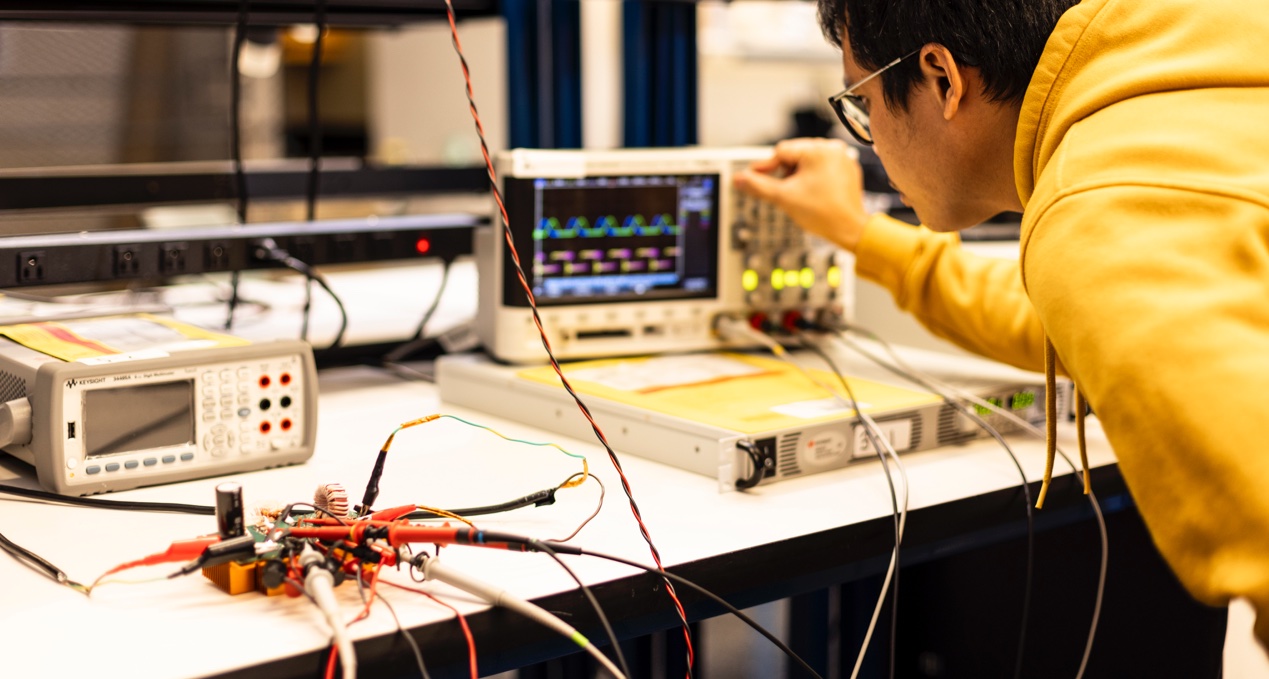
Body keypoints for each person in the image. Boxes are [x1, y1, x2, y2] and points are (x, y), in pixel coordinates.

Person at [733, 0, 1269, 651]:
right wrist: (858, 235)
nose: (864, 133)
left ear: (940, 77)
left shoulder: (1097, 214)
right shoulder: (1190, 93)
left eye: (862, 104)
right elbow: (1059, 319)